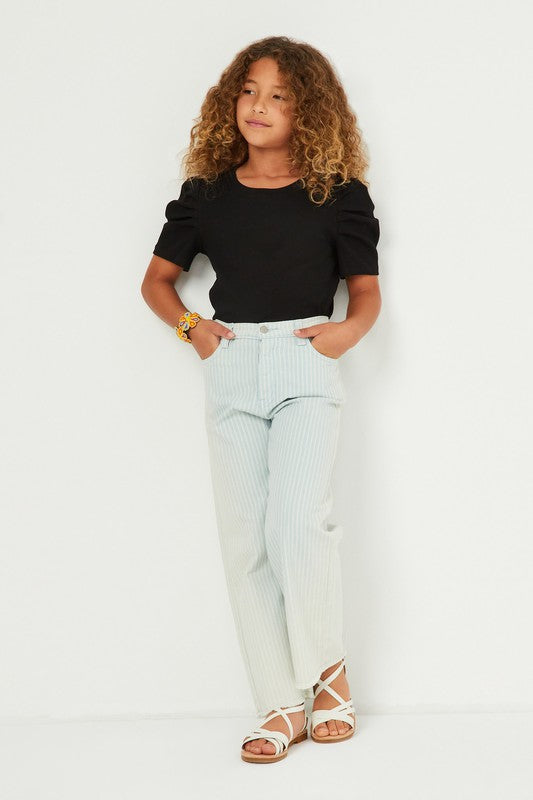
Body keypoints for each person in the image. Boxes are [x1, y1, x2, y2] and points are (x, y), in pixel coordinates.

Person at [141, 35, 382, 764]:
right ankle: (279, 702)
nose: (259, 105)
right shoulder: (205, 196)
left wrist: (342, 337)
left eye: (279, 95)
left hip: (305, 363)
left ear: (308, 110)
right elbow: (156, 283)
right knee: (244, 538)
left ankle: (328, 675)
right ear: (231, 99)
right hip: (233, 364)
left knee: (298, 526)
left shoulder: (337, 195)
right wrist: (196, 333)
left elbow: (365, 294)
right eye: (248, 90)